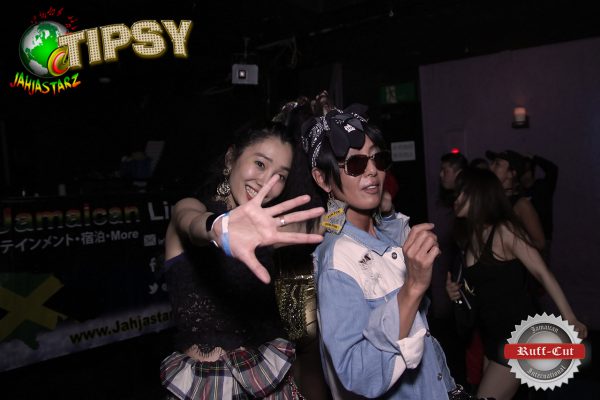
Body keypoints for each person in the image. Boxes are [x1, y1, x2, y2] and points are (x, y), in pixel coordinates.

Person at [301, 107, 469, 399]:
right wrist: (413, 286)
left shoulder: (385, 234)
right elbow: (357, 374)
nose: (372, 171)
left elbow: (423, 335)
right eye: (355, 164)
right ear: (323, 179)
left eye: (377, 159)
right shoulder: (338, 260)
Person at [159, 125, 324, 399]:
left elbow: (323, 224)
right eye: (260, 163)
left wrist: (371, 207)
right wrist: (218, 227)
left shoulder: (269, 231)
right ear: (230, 159)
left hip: (268, 381)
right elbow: (190, 221)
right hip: (204, 388)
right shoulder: (191, 207)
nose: (266, 182)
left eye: (280, 176)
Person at [446, 168, 588, 400]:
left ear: (480, 195)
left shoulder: (504, 231)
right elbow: (481, 289)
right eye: (457, 193)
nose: (457, 198)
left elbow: (542, 272)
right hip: (492, 337)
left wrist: (570, 318)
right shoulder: (470, 238)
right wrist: (456, 292)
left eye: (464, 193)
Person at [486, 149, 545, 251]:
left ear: (511, 174)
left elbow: (540, 243)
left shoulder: (521, 204)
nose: (491, 167)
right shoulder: (491, 199)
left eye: (497, 164)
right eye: (492, 163)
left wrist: (512, 243)